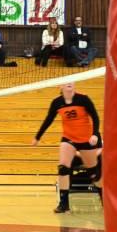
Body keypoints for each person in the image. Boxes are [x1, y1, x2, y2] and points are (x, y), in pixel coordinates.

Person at [32, 82, 103, 213]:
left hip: (86, 139)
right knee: (63, 168)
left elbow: (95, 117)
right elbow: (48, 120)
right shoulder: (57, 103)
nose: (69, 83)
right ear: (60, 86)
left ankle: (103, 196)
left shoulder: (83, 99)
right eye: (66, 82)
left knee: (94, 173)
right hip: (68, 138)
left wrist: (95, 134)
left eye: (72, 81)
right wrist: (37, 137)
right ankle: (64, 203)